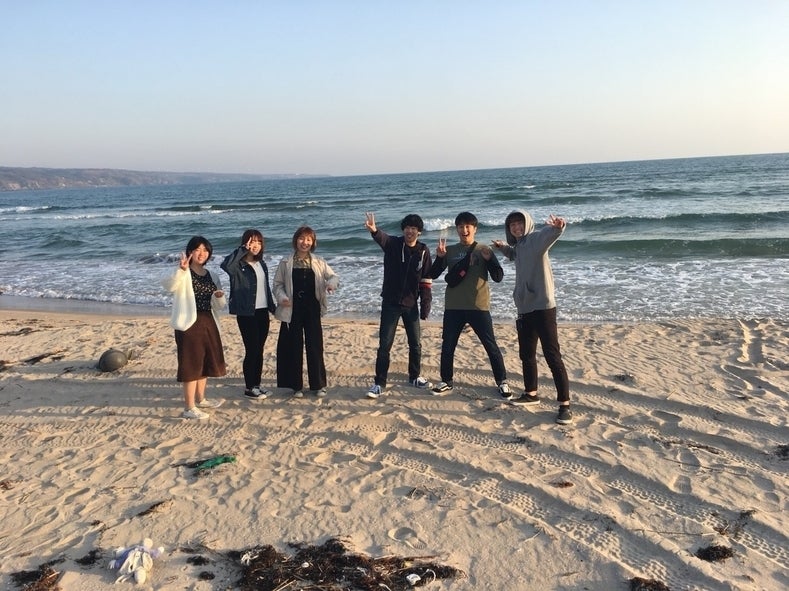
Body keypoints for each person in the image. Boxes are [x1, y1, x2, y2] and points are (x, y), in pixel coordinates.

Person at [492, 211, 573, 425]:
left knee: (552, 355)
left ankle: (564, 405)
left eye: (519, 223)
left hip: (543, 307)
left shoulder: (536, 239)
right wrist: (502, 248)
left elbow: (551, 235)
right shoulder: (519, 246)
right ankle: (531, 393)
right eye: (512, 225)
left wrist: (558, 226)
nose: (516, 227)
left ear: (527, 224)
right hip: (525, 307)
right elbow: (514, 255)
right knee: (526, 353)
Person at [430, 211, 510, 398]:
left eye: (468, 226)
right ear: (457, 229)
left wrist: (489, 261)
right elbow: (432, 274)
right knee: (448, 345)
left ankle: (502, 382)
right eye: (460, 226)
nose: (464, 230)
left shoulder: (484, 250)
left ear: (475, 229)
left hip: (478, 306)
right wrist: (440, 258)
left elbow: (498, 277)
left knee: (490, 345)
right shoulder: (449, 251)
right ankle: (446, 381)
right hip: (453, 306)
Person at [364, 212, 433, 399]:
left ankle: (414, 377)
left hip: (411, 305)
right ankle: (379, 383)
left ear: (419, 231)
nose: (410, 231)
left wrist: (425, 305)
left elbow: (426, 280)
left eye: (414, 228)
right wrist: (374, 230)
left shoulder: (424, 251)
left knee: (415, 344)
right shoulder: (394, 244)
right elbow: (382, 238)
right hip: (390, 303)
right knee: (385, 345)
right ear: (403, 229)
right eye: (407, 228)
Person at [161, 235, 227, 419]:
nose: (201, 253)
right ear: (190, 252)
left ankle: (201, 399)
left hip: (208, 320)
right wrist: (181, 270)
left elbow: (219, 306)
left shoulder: (212, 275)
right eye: (197, 250)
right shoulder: (184, 273)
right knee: (191, 364)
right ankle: (189, 407)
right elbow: (168, 286)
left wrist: (219, 297)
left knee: (205, 362)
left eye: (205, 250)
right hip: (189, 323)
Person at [273, 226, 339, 398]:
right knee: (293, 346)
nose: (305, 242)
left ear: (313, 242)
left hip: (312, 308)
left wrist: (330, 284)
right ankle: (296, 386)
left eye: (309, 239)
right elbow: (277, 285)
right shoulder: (285, 262)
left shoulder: (319, 261)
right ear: (296, 240)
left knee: (315, 346)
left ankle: (318, 385)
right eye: (302, 238)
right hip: (292, 309)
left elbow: (334, 276)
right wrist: (282, 298)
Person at [220, 229, 277, 400]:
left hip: (262, 311)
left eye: (259, 242)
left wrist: (273, 308)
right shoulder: (237, 266)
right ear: (245, 243)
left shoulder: (262, 264)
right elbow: (225, 265)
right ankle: (249, 387)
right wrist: (243, 250)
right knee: (251, 350)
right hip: (246, 313)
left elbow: (265, 289)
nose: (256, 245)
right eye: (252, 242)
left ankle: (257, 385)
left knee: (259, 350)